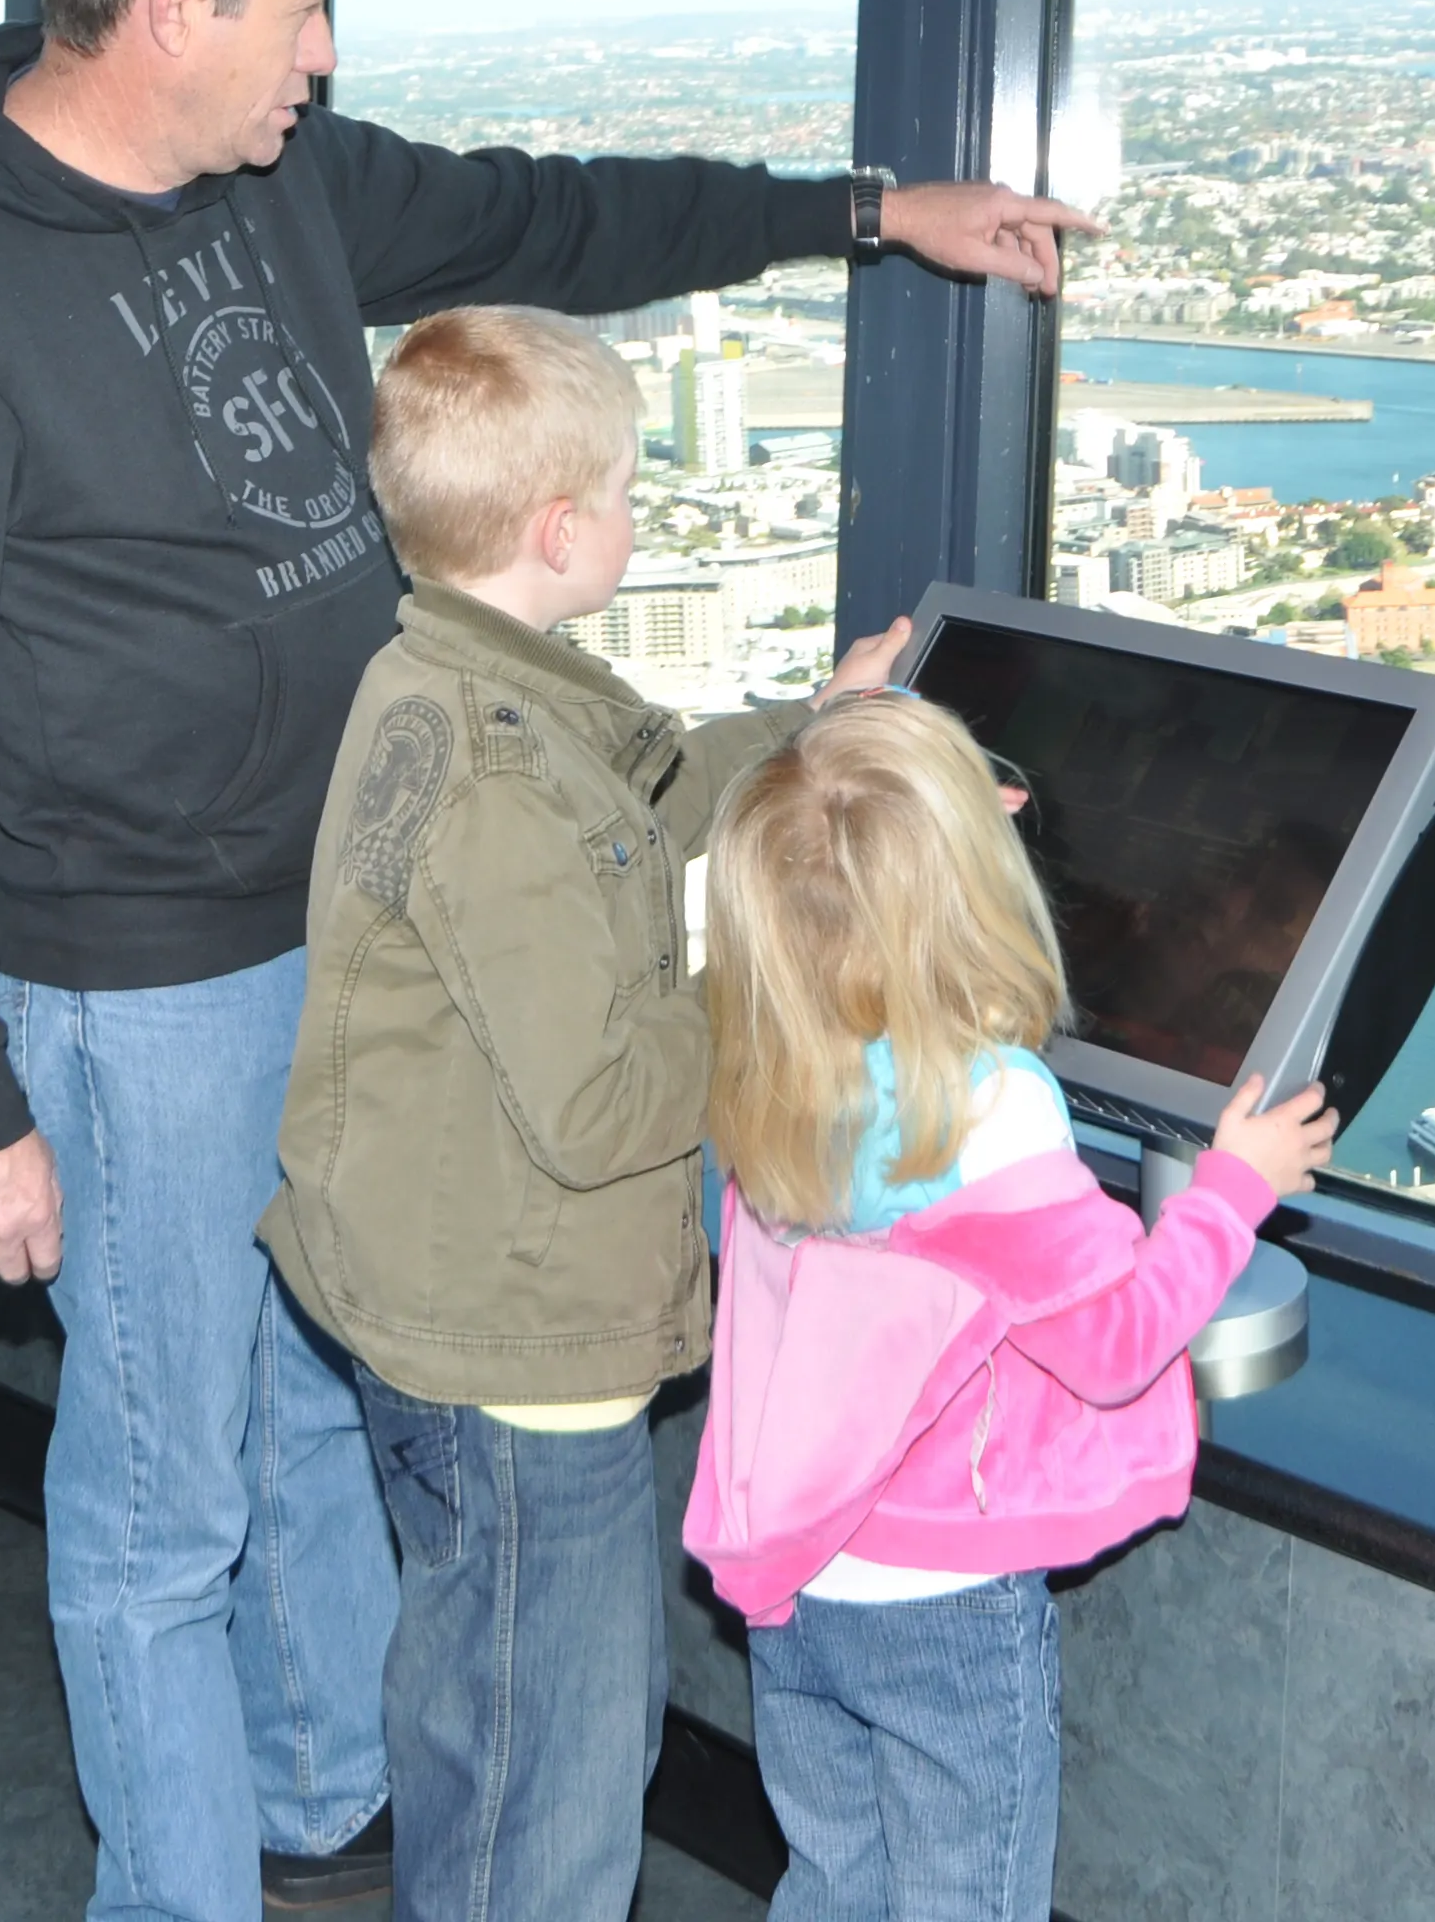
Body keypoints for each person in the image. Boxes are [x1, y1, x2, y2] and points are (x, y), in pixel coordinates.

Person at [0, 0, 1089, 1922]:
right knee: (158, 1506)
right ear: (173, 7)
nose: (324, 54)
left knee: (322, 1408)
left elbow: (553, 218)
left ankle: (312, 1815)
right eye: (303, 8)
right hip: (138, 989)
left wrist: (875, 211)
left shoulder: (279, 181)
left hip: (358, 918)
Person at [260, 306, 906, 1921]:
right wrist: (793, 995)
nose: (637, 517)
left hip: (443, 1316)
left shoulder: (454, 679)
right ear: (561, 531)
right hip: (520, 1366)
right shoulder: (490, 771)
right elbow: (603, 1094)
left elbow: (654, 786)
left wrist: (814, 730)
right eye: (625, 491)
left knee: (478, 1715)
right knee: (544, 1791)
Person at [679, 695, 1337, 1922]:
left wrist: (915, 835)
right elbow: (1117, 1341)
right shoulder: (989, 1113)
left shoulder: (770, 1068)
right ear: (972, 896)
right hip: (942, 1605)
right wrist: (1235, 1189)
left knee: (832, 1881)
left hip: (801, 1585)